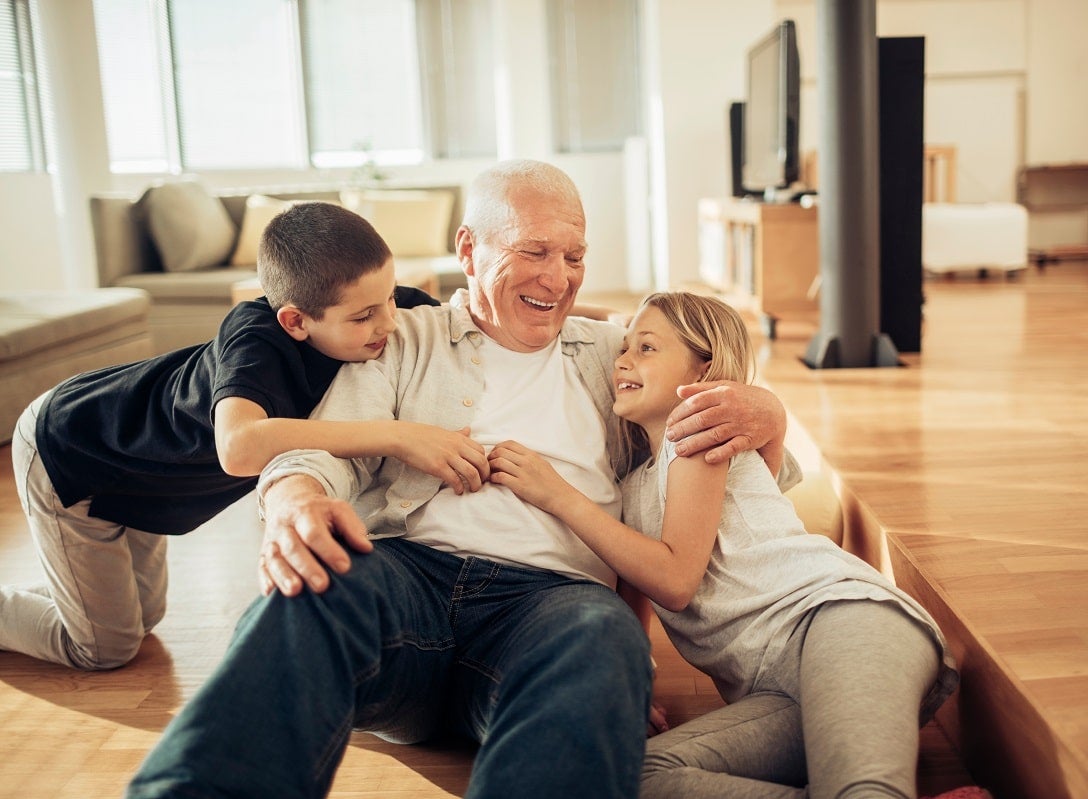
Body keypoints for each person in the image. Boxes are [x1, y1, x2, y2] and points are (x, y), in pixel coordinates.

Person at [125, 160, 797, 799]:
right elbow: (318, 454)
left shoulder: (614, 351)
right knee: (308, 587)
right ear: (469, 249)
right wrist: (294, 498)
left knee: (603, 638)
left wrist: (768, 410)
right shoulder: (403, 340)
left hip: (551, 606)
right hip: (405, 580)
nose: (560, 279)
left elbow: (731, 434)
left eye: (575, 256)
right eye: (535, 251)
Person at [487, 291, 961, 799]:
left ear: (703, 371)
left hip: (840, 622)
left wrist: (558, 494)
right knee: (642, 777)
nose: (623, 359)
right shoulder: (629, 490)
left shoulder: (699, 432)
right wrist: (629, 679)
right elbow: (634, 595)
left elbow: (674, 580)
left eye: (647, 348)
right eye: (623, 348)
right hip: (772, 688)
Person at [0, 201, 485, 671]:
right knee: (106, 648)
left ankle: (74, 589)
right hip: (74, 451)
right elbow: (237, 448)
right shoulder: (254, 337)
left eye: (390, 299)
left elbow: (455, 325)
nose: (389, 322)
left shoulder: (378, 309)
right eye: (363, 316)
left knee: (143, 617)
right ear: (295, 321)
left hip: (144, 481)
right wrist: (397, 436)